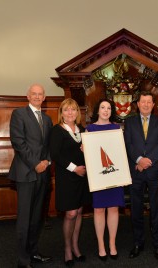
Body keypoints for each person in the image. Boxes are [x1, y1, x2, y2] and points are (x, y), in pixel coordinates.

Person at [8, 84, 53, 268]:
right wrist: (36, 164)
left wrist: (47, 162)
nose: (36, 96)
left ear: (44, 98)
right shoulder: (19, 114)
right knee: (25, 218)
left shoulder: (48, 119)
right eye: (33, 94)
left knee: (37, 218)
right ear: (28, 96)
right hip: (26, 172)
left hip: (43, 174)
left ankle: (33, 253)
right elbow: (18, 142)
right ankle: (23, 259)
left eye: (40, 94)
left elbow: (50, 145)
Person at [124, 91, 158, 260]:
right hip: (136, 171)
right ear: (138, 104)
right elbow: (128, 144)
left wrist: (148, 160)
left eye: (149, 102)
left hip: (155, 171)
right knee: (136, 209)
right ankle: (138, 242)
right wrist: (139, 160)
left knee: (157, 209)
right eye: (143, 102)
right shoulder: (130, 122)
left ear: (153, 105)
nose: (146, 104)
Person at [49, 98, 91, 267]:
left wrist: (86, 149)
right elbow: (55, 155)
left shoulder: (82, 129)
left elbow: (89, 152)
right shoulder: (57, 130)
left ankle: (75, 246)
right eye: (66, 110)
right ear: (61, 113)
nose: (70, 113)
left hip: (82, 178)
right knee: (71, 213)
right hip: (67, 177)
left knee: (79, 211)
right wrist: (75, 169)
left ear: (77, 113)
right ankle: (67, 248)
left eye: (73, 110)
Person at [85, 99, 125, 261]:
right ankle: (101, 245)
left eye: (109, 108)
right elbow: (89, 156)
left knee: (114, 208)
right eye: (103, 107)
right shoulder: (89, 129)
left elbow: (121, 153)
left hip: (115, 173)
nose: (106, 110)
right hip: (98, 175)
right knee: (99, 210)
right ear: (97, 110)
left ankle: (112, 244)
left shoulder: (117, 129)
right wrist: (84, 149)